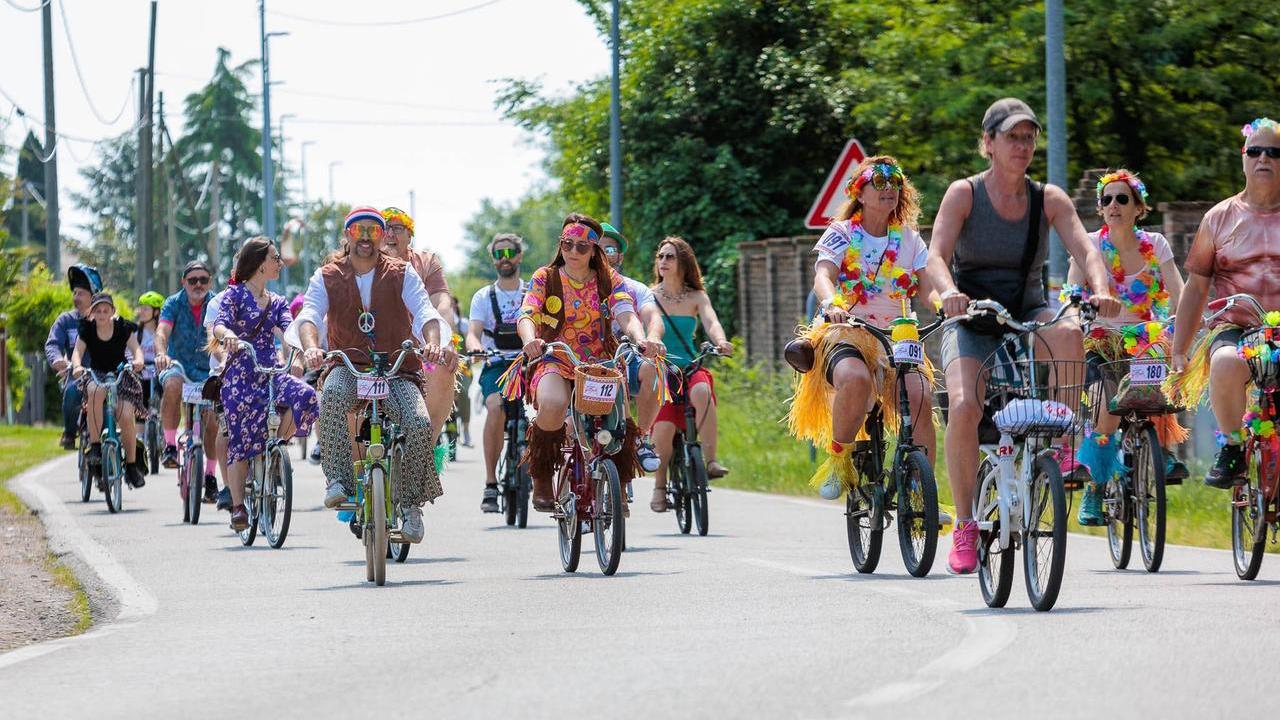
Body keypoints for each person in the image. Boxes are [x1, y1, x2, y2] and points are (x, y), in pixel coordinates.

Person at [926, 98, 1119, 574]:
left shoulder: (1048, 198)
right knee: (965, 407)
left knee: (1068, 330)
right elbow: (935, 255)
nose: (1022, 145)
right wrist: (948, 292)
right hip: (971, 315)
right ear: (988, 143)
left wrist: (1101, 289)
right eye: (1012, 136)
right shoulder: (964, 194)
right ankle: (966, 524)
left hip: (1027, 308)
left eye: (1029, 137)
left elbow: (1086, 249)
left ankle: (1063, 447)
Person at [785, 158, 937, 501]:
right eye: (879, 182)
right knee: (855, 379)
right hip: (847, 331)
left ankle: (921, 494)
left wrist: (945, 304)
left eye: (895, 182)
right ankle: (839, 459)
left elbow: (927, 288)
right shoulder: (841, 234)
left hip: (897, 337)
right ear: (860, 192)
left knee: (920, 397)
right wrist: (832, 303)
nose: (889, 189)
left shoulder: (910, 240)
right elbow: (823, 275)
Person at [297, 206, 451, 543]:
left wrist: (432, 343)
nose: (366, 238)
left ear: (382, 237)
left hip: (396, 370)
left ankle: (411, 505)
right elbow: (309, 316)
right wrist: (311, 348)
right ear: (347, 235)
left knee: (419, 423)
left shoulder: (402, 273)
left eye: (374, 231)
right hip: (348, 367)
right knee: (332, 394)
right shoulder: (327, 275)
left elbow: (426, 313)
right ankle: (339, 480)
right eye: (359, 230)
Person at [1062, 170, 1188, 525]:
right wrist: (1075, 318)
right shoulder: (1089, 245)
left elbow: (1179, 291)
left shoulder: (1156, 244)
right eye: (1107, 200)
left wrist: (1184, 323)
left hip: (1145, 338)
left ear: (1138, 207)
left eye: (1122, 199)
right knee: (1107, 405)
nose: (1113, 205)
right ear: (1100, 208)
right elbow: (1072, 294)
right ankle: (1096, 487)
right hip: (1101, 340)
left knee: (1160, 375)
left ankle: (1162, 450)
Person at [514, 213, 660, 512]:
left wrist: (640, 339)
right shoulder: (545, 277)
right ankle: (542, 475)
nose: (573, 251)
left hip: (600, 362)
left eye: (582, 246)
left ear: (594, 250)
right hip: (555, 357)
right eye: (567, 244)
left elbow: (626, 313)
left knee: (618, 420)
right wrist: (530, 339)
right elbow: (527, 313)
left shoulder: (609, 280)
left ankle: (617, 483)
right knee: (553, 403)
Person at [1169, 117, 1280, 489]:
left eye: (1274, 152)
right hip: (1236, 328)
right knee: (1227, 363)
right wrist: (1179, 351)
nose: (1264, 158)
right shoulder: (1218, 218)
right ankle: (1233, 447)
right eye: (1256, 151)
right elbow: (1196, 288)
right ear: (1243, 157)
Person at [211, 237, 319, 531]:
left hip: (271, 372)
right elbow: (219, 325)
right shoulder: (234, 296)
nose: (280, 263)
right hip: (240, 376)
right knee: (240, 439)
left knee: (307, 396)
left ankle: (275, 450)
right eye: (275, 258)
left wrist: (298, 354)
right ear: (260, 264)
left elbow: (288, 332)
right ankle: (238, 507)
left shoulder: (278, 302)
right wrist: (228, 335)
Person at [648, 236, 735, 512]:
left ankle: (711, 460)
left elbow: (712, 322)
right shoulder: (649, 296)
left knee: (702, 391)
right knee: (663, 430)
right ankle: (659, 487)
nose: (663, 261)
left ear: (683, 262)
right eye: (660, 256)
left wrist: (720, 341)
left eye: (670, 256)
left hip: (689, 366)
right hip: (661, 372)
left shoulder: (697, 297)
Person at [380, 206, 459, 447]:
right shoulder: (365, 263)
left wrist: (445, 342)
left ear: (409, 235)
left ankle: (425, 448)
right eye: (384, 228)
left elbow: (442, 303)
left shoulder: (426, 262)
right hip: (373, 351)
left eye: (397, 228)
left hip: (420, 351)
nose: (390, 234)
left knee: (443, 365)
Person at [465, 233, 529, 513]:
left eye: (510, 253)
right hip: (496, 364)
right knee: (495, 407)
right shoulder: (483, 296)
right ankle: (491, 482)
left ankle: (542, 478)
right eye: (499, 254)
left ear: (519, 256)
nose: (505, 259)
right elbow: (473, 332)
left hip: (529, 363)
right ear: (493, 259)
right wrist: (476, 348)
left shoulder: (533, 292)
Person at [598, 222, 666, 474]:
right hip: (587, 360)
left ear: (620, 257)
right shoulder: (578, 286)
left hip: (626, 358)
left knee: (652, 367)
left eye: (610, 250)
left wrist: (653, 338)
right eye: (597, 249)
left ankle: (641, 438)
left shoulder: (635, 288)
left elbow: (652, 316)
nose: (604, 255)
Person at [155, 261, 219, 504]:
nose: (198, 284)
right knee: (172, 384)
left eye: (203, 280)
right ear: (184, 282)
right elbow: (162, 332)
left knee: (212, 418)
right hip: (178, 366)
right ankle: (170, 446)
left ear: (210, 282)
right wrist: (162, 354)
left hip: (208, 371)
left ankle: (210, 476)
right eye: (192, 280)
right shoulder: (173, 303)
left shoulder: (217, 303)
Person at [70, 292, 147, 489]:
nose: (102, 314)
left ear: (112, 311)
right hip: (97, 373)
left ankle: (131, 465)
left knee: (126, 415)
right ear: (92, 312)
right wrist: (77, 366)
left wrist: (138, 360)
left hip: (121, 373)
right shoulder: (87, 329)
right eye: (98, 311)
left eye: (106, 310)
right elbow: (77, 352)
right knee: (94, 391)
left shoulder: (122, 327)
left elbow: (136, 348)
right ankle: (95, 446)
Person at [46, 264, 102, 449]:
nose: (76, 297)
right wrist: (56, 359)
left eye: (81, 293)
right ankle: (69, 433)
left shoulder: (105, 320)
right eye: (75, 293)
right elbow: (53, 344)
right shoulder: (66, 320)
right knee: (70, 392)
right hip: (76, 376)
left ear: (93, 296)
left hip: (102, 376)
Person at [136, 291, 164, 413]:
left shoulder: (163, 334)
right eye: (141, 308)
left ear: (156, 312)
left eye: (146, 309)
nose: (141, 311)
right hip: (141, 374)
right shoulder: (136, 333)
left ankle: (161, 418)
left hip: (158, 374)